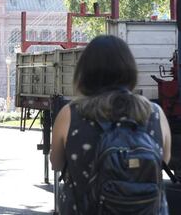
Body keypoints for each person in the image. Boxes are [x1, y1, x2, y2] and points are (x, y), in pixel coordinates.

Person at [50, 35, 171, 214]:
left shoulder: (70, 114)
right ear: (130, 69)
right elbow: (163, 161)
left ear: (84, 72)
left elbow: (57, 163)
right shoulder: (154, 113)